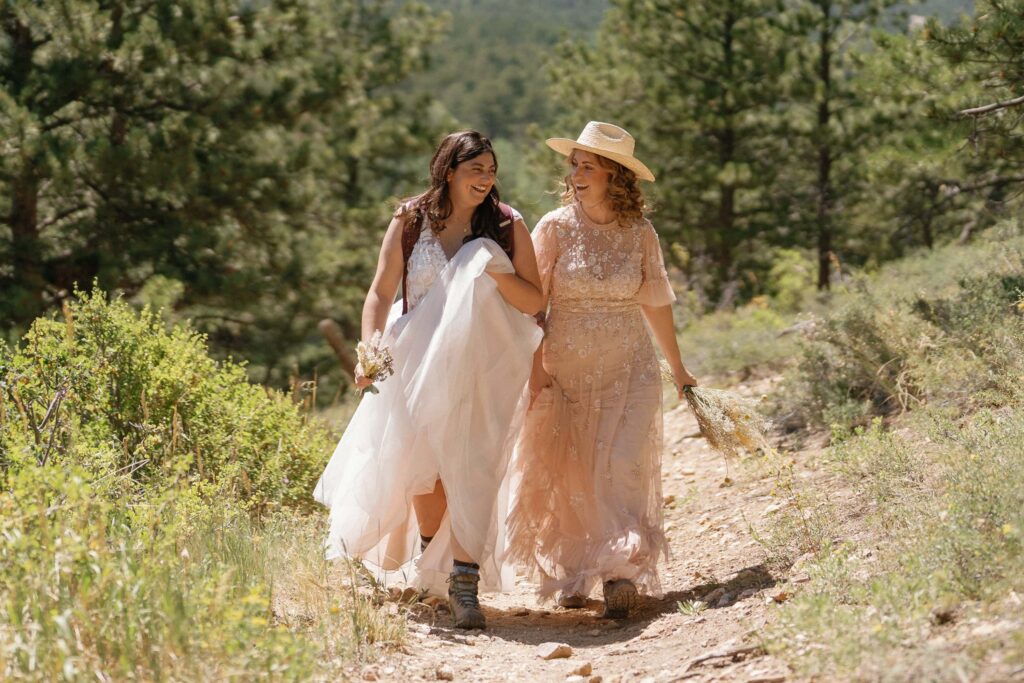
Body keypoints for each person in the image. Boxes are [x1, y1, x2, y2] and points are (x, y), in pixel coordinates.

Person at [314, 131, 544, 629]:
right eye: (474, 169)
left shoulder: (506, 225)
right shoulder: (412, 219)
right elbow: (379, 291)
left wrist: (493, 267)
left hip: (481, 368)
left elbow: (534, 301)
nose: (485, 179)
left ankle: (464, 584)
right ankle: (429, 565)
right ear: (448, 170)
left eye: (490, 169)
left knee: (472, 468)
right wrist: (370, 346)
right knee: (423, 469)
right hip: (413, 363)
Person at [506, 121, 698, 618]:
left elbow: (656, 303)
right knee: (573, 472)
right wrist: (534, 371)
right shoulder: (552, 227)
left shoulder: (640, 232)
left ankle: (619, 574)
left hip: (630, 367)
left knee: (620, 467)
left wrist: (678, 368)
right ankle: (579, 565)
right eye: (575, 164)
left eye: (588, 166)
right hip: (565, 367)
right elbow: (533, 306)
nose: (577, 173)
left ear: (615, 175)